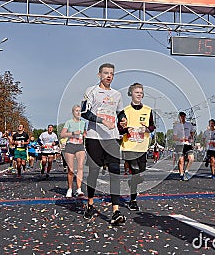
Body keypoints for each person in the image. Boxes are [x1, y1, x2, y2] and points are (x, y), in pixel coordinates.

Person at [81, 62, 126, 225]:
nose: (109, 76)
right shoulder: (91, 91)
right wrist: (101, 121)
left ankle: (115, 211)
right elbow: (84, 112)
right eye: (106, 73)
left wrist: (122, 121)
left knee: (115, 171)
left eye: (112, 73)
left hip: (112, 138)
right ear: (99, 75)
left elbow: (120, 112)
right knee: (93, 172)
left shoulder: (117, 94)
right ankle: (90, 204)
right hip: (94, 138)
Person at [118, 83, 155, 211]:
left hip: (142, 147)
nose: (139, 94)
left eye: (141, 92)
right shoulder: (125, 111)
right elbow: (119, 129)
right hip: (129, 146)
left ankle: (132, 183)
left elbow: (152, 127)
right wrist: (126, 129)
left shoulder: (148, 110)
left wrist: (146, 128)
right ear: (131, 94)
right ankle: (133, 200)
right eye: (136, 92)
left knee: (140, 174)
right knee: (135, 171)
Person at [60, 105, 87, 198]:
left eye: (80, 111)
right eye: (76, 111)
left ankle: (79, 189)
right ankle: (70, 188)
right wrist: (72, 133)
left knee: (80, 168)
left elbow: (84, 134)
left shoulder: (83, 123)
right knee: (71, 170)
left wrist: (85, 134)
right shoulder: (69, 122)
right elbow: (62, 134)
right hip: (70, 145)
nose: (78, 112)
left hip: (80, 146)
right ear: (73, 112)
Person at [172, 111, 195, 181]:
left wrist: (191, 137)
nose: (182, 118)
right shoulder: (176, 126)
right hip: (179, 145)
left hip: (188, 145)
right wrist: (180, 139)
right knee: (181, 161)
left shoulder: (189, 125)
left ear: (185, 117)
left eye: (183, 116)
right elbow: (174, 137)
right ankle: (181, 175)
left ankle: (186, 171)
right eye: (181, 116)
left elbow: (192, 132)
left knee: (191, 159)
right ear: (179, 118)